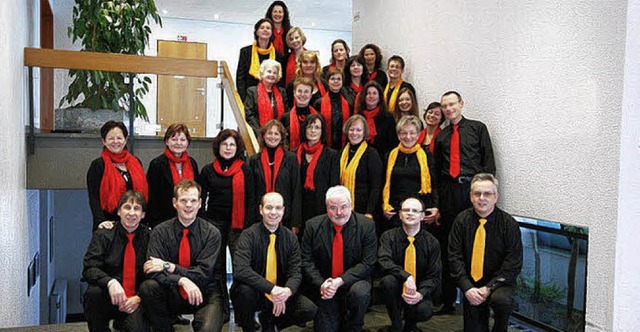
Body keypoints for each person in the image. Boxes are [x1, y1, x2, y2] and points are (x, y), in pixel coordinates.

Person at [433, 91, 496, 314]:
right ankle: (448, 300)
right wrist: (439, 204)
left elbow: (488, 163)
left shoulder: (478, 128)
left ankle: (478, 296)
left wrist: (486, 197)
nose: (449, 109)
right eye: (444, 106)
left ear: (461, 104)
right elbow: (437, 174)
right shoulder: (441, 136)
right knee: (452, 246)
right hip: (450, 192)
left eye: (452, 104)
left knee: (476, 245)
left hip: (473, 189)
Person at [139, 180, 224, 332]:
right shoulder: (160, 232)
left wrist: (169, 266)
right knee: (148, 287)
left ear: (199, 203)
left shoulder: (212, 233)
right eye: (183, 200)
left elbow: (203, 274)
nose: (188, 205)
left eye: (193, 200)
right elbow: (152, 272)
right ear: (175, 203)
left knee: (208, 329)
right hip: (172, 291)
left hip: (205, 292)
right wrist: (181, 280)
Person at [231, 192, 318, 331]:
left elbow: (295, 272)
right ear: (261, 209)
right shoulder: (248, 235)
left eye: (278, 208)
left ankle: (271, 319)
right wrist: (271, 289)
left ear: (283, 210)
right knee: (243, 292)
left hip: (281, 291)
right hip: (257, 292)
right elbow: (241, 270)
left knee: (309, 309)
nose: (273, 212)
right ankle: (249, 328)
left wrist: (287, 291)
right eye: (269, 207)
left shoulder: (291, 238)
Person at [448, 174, 522, 332]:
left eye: (487, 194)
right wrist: (467, 287)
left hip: (499, 283)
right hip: (471, 283)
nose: (482, 198)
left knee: (501, 301)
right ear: (471, 196)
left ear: (496, 197)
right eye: (477, 194)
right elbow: (454, 257)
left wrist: (488, 288)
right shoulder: (461, 220)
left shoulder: (509, 225)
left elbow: (512, 264)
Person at [301, 185, 377, 332]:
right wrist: (321, 283)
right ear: (326, 207)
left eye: (344, 207)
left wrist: (340, 281)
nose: (339, 212)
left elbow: (368, 263)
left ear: (351, 205)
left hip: (355, 282)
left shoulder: (366, 225)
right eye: (333, 207)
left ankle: (355, 325)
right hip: (325, 286)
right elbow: (306, 261)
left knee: (360, 293)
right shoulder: (312, 226)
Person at [199, 129, 255, 322]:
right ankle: (221, 312)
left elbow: (251, 199)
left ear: (237, 147)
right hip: (214, 224)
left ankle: (242, 314)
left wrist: (248, 226)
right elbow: (202, 198)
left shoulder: (245, 170)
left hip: (238, 225)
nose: (228, 148)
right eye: (225, 144)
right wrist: (205, 222)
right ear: (218, 146)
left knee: (241, 269)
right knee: (217, 270)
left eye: (232, 144)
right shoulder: (207, 170)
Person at [82, 191, 151, 332]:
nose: (131, 213)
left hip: (135, 300)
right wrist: (110, 282)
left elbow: (154, 275)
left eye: (137, 208)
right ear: (119, 211)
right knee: (93, 293)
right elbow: (89, 268)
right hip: (109, 296)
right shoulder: (103, 235)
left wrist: (139, 298)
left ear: (143, 214)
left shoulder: (151, 237)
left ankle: (122, 322)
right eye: (127, 207)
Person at [378, 197, 442, 332]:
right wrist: (406, 277)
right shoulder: (388, 237)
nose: (410, 213)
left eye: (415, 210)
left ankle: (410, 326)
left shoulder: (432, 242)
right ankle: (396, 326)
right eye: (406, 210)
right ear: (400, 215)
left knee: (424, 311)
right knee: (388, 281)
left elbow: (434, 275)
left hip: (419, 291)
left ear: (422, 216)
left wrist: (421, 293)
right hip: (396, 289)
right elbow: (384, 261)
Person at [87, 121, 148, 231]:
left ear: (125, 140)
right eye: (111, 138)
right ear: (104, 141)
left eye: (119, 138)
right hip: (109, 224)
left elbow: (143, 196)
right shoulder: (98, 165)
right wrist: (101, 221)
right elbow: (94, 198)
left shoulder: (136, 162)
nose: (115, 141)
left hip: (135, 224)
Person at [382, 115, 438, 234]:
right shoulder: (389, 156)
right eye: (404, 133)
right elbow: (383, 184)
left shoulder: (427, 156)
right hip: (395, 211)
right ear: (398, 135)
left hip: (420, 210)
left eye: (412, 133)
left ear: (418, 135)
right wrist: (384, 206)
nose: (408, 137)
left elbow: (435, 184)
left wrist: (436, 207)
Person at [248, 120, 302, 232]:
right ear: (263, 136)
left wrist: (295, 222)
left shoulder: (291, 159)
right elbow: (251, 193)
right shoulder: (254, 160)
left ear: (281, 137)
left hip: (285, 219)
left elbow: (296, 190)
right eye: (269, 133)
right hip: (259, 218)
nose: (273, 137)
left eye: (276, 133)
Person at [146, 124, 199, 228]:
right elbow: (152, 196)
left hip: (189, 218)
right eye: (174, 139)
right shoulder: (157, 164)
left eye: (183, 139)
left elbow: (197, 191)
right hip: (164, 220)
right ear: (166, 141)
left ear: (187, 142)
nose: (178, 143)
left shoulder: (192, 163)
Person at [294, 114, 340, 227]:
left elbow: (333, 186)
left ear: (322, 131)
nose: (313, 131)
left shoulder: (331, 155)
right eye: (309, 127)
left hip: (321, 208)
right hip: (299, 208)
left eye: (317, 127)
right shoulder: (293, 154)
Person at [338, 115, 383, 220]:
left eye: (358, 130)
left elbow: (376, 187)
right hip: (342, 208)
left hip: (364, 210)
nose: (354, 133)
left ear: (364, 133)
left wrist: (369, 211)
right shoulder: (341, 153)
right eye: (352, 129)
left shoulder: (371, 154)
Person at [236, 18, 282, 101]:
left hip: (270, 97)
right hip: (250, 96)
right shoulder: (246, 52)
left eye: (268, 28)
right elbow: (240, 78)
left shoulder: (277, 54)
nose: (265, 30)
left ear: (271, 33)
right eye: (262, 28)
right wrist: (244, 100)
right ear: (257, 32)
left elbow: (279, 78)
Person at [354, 80, 398, 158]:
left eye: (374, 93)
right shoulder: (358, 117)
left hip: (382, 159)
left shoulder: (388, 117)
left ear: (379, 97)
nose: (371, 96)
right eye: (368, 93)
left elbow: (393, 144)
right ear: (364, 97)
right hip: (361, 159)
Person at [314, 67, 354, 149]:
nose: (336, 81)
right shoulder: (319, 103)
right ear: (328, 82)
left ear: (342, 82)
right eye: (333, 79)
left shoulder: (348, 103)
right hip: (323, 145)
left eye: (339, 79)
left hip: (344, 145)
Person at [243, 59, 287, 134]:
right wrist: (260, 132)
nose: (272, 75)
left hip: (278, 134)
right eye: (269, 71)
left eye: (275, 73)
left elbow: (286, 113)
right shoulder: (252, 91)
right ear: (262, 73)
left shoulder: (282, 92)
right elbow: (250, 115)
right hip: (259, 133)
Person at [281, 77, 319, 150]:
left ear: (311, 95)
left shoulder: (318, 117)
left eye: (306, 92)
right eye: (299, 91)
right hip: (292, 158)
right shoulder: (285, 118)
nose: (302, 94)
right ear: (294, 93)